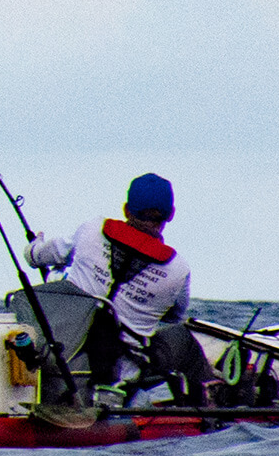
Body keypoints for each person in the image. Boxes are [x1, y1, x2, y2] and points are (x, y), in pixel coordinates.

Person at [26, 173, 216, 405]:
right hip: (125, 372)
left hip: (64, 357)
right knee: (183, 339)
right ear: (171, 214)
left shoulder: (91, 230)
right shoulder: (178, 269)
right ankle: (207, 410)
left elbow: (36, 256)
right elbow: (175, 315)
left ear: (126, 209)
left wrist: (35, 244)